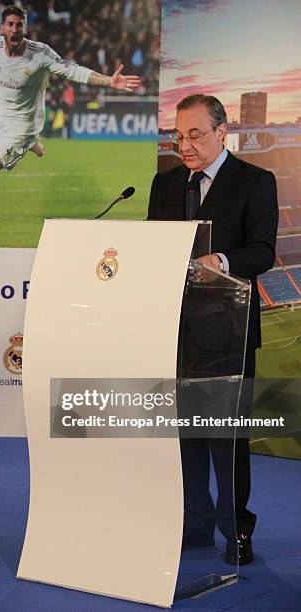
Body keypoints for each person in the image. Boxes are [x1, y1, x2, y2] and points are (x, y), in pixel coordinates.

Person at [148, 94, 278, 564]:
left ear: (222, 132)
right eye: (178, 136)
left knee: (227, 436)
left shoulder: (255, 182)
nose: (184, 144)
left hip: (230, 330)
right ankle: (196, 525)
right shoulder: (165, 185)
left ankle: (236, 528)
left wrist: (220, 260)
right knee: (186, 435)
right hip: (176, 331)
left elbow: (262, 251)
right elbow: (152, 246)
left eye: (194, 134)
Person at [0, 4, 140, 229]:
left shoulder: (40, 55)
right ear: (3, 28)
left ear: (25, 28)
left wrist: (109, 80)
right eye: (10, 24)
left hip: (22, 126)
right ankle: (31, 144)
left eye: (20, 24)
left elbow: (74, 70)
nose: (15, 29)